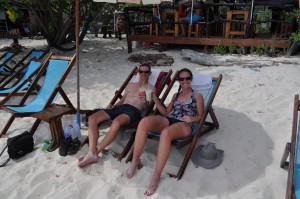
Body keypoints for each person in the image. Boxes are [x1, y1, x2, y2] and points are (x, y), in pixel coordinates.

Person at [126, 68, 204, 196]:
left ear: (191, 79)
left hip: (185, 124)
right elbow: (165, 113)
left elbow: (201, 116)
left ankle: (156, 177)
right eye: (182, 79)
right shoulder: (175, 95)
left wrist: (192, 118)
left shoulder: (197, 96)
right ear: (178, 81)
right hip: (169, 119)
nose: (185, 81)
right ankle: (135, 161)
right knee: (144, 122)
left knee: (166, 133)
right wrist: (155, 98)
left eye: (187, 78)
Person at [78, 64, 156, 168]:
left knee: (116, 122)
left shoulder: (151, 89)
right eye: (141, 72)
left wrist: (144, 100)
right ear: (138, 72)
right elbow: (122, 100)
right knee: (92, 118)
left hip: (134, 111)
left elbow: (148, 107)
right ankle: (91, 152)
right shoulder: (130, 85)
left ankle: (96, 152)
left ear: (150, 74)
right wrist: (114, 106)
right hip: (121, 107)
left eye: (146, 72)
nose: (143, 74)